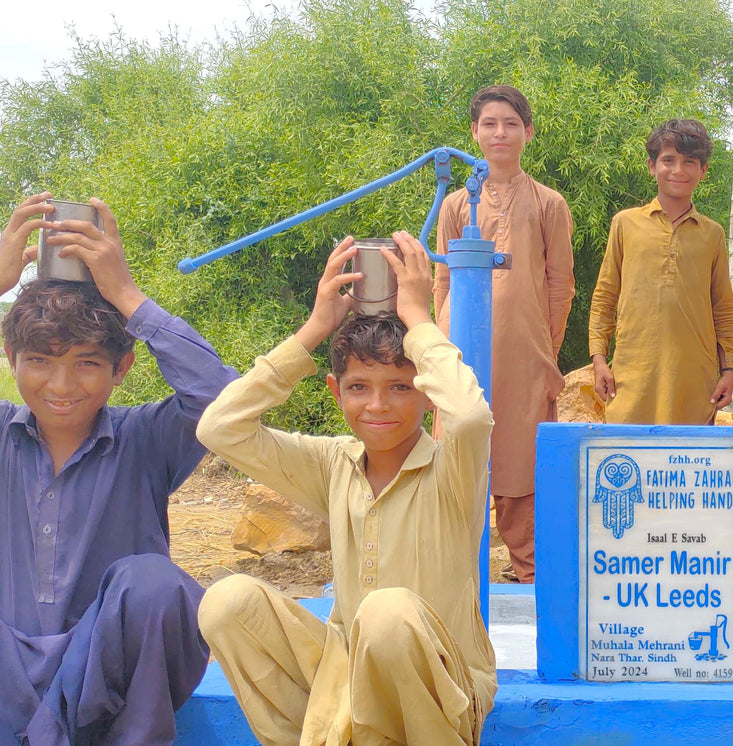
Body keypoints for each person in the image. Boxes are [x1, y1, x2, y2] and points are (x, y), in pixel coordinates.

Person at [197, 232, 497, 745]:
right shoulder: (332, 464)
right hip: (344, 683)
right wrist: (314, 329)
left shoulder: (452, 470)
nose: (377, 406)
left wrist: (419, 319)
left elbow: (468, 415)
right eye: (360, 387)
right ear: (337, 392)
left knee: (386, 614)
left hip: (442, 695)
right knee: (227, 602)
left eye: (400, 387)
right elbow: (219, 428)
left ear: (425, 394)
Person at [0, 192, 237, 745]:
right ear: (12, 362)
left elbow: (222, 398)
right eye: (39, 361)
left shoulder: (147, 438)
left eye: (85, 363)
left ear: (122, 367)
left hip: (104, 684)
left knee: (155, 584)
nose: (61, 387)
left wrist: (125, 293)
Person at [433, 84, 574, 584]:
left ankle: (529, 574)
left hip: (525, 356)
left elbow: (561, 284)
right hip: (462, 352)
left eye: (510, 123)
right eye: (489, 124)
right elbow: (443, 279)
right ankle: (454, 578)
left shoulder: (549, 203)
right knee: (458, 456)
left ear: (527, 133)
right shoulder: (453, 205)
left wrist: (544, 351)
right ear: (473, 132)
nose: (500, 133)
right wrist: (441, 351)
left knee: (521, 465)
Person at [588, 118, 733, 425]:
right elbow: (605, 296)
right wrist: (599, 359)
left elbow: (723, 306)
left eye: (689, 162)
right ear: (651, 166)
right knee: (629, 460)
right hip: (632, 374)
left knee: (686, 462)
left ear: (703, 170)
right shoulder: (625, 224)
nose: (678, 171)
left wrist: (729, 370)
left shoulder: (711, 234)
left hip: (694, 380)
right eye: (668, 160)